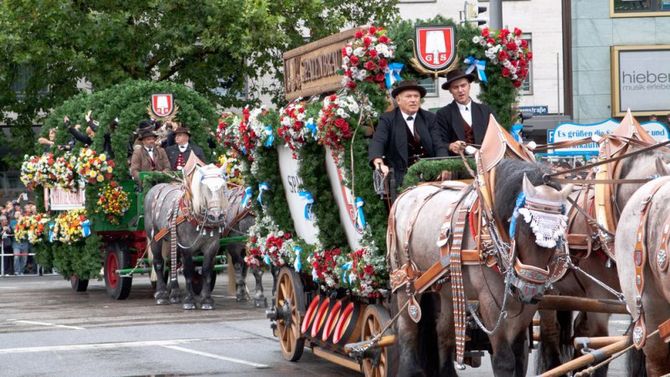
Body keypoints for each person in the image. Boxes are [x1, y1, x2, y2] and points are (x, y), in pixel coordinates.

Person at [368, 80, 438, 188]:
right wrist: (378, 160)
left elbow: (439, 143)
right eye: (408, 96)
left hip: (430, 176)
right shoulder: (388, 119)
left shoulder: (429, 118)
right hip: (401, 177)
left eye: (416, 96)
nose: (413, 100)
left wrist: (443, 166)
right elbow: (378, 140)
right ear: (398, 100)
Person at [433, 69, 496, 156]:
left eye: (463, 85)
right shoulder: (443, 114)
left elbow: (496, 137)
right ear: (450, 90)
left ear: (469, 86)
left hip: (485, 161)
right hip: (458, 164)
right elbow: (440, 142)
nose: (460, 90)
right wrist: (450, 146)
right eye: (455, 87)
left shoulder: (486, 111)